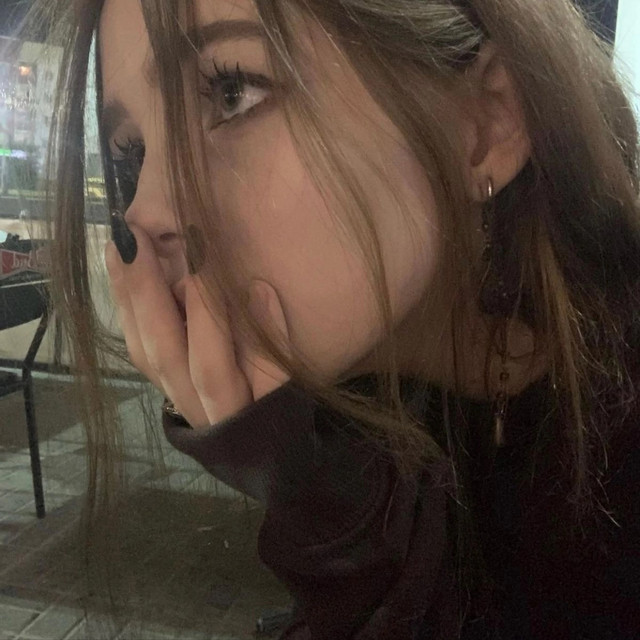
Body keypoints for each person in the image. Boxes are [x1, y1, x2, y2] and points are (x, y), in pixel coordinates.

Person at [26, 0, 640, 637]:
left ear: (486, 121)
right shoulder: (359, 420)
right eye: (133, 152)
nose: (146, 211)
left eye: (232, 93)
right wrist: (314, 500)